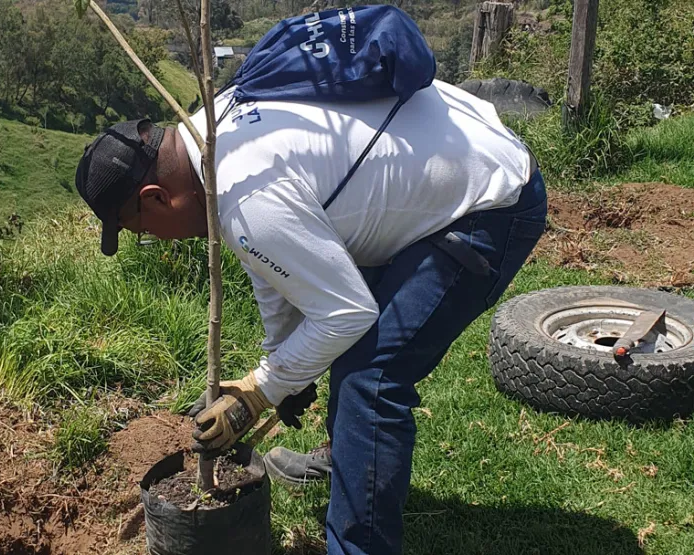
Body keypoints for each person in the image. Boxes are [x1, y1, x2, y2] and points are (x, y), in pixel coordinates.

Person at [74, 79, 546, 555]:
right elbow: (272, 262)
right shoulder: (214, 131)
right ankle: (349, 457)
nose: (161, 240)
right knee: (354, 358)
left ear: (157, 197)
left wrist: (261, 391)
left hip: (487, 198)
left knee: (371, 376)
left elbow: (346, 313)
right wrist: (283, 365)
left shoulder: (244, 196)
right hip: (451, 153)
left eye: (143, 231)